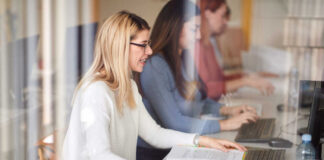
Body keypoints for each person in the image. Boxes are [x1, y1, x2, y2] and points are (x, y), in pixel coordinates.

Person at [62, 10, 246, 160]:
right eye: (143, 45)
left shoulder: (129, 87)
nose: (149, 51)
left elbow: (155, 134)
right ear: (120, 46)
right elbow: (99, 154)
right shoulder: (96, 91)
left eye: (148, 44)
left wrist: (202, 140)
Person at [136, 0, 256, 159]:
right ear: (175, 27)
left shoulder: (183, 57)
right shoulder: (155, 66)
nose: (199, 35)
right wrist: (225, 124)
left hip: (181, 143)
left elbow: (196, 101)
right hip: (158, 153)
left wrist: (227, 110)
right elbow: (175, 123)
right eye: (194, 29)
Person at [197, 0, 275, 101]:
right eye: (222, 15)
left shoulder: (208, 44)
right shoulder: (197, 45)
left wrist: (247, 77)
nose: (225, 21)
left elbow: (219, 80)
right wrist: (246, 81)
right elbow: (207, 90)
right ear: (208, 14)